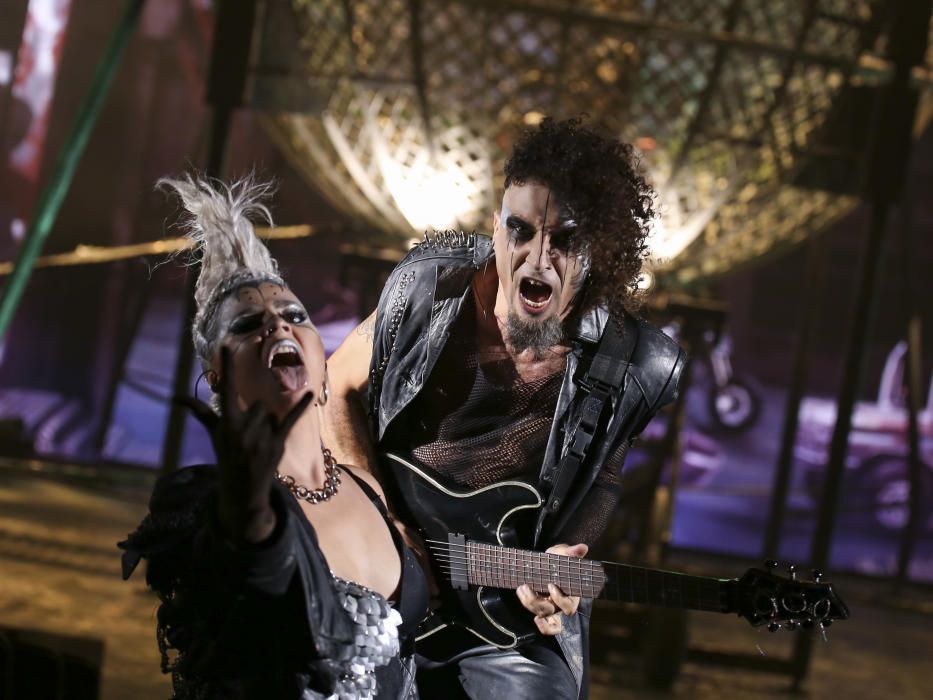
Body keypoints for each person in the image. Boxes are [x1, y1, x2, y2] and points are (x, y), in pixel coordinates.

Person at [323, 117, 687, 699]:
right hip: (379, 575)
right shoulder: (428, 289)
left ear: (598, 251)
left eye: (564, 240)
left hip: (505, 615)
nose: (537, 259)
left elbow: (603, 479)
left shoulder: (634, 363)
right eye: (520, 230)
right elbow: (336, 385)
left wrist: (559, 561)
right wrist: (380, 520)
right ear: (495, 228)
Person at [119, 175, 428, 699]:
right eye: (247, 325)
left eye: (294, 315)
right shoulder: (210, 505)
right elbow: (252, 569)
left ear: (323, 364)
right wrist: (250, 512)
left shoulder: (368, 488)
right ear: (217, 376)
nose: (278, 327)